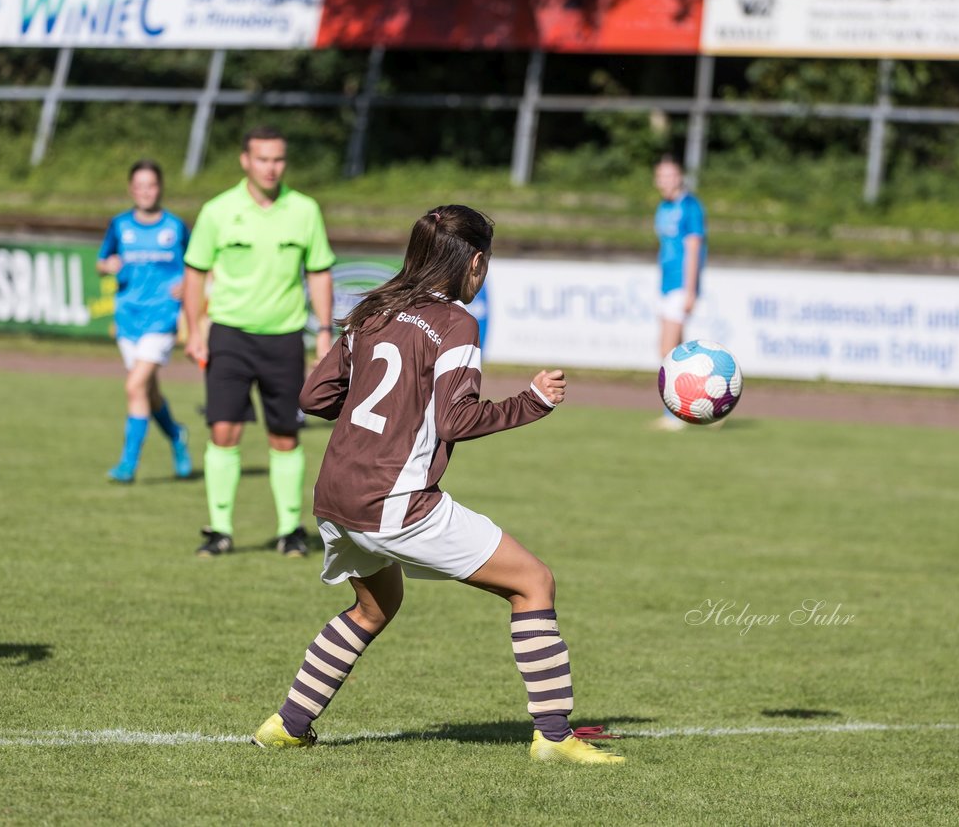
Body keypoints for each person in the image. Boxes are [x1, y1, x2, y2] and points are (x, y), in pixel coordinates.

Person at [250, 205, 625, 765]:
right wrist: (534, 402)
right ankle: (552, 736)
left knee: (376, 608)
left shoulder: (374, 308)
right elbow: (457, 420)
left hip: (335, 495)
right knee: (533, 583)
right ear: (474, 262)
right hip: (395, 500)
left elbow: (313, 398)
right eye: (486, 264)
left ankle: (287, 724)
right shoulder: (456, 324)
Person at [182, 127, 335, 558]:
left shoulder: (305, 210)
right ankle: (219, 530)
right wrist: (195, 330)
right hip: (229, 335)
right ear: (245, 160)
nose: (271, 167)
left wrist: (323, 331)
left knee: (285, 435)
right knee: (223, 430)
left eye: (279, 159)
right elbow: (195, 272)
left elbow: (319, 271)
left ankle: (290, 530)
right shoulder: (217, 211)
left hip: (285, 338)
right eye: (263, 159)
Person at [97, 159, 192, 483]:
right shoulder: (119, 225)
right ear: (131, 190)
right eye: (139, 186)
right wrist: (107, 265)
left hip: (162, 317)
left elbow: (199, 265)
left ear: (160, 187)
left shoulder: (176, 227)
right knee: (147, 393)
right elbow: (101, 260)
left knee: (134, 385)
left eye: (151, 185)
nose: (145, 191)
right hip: (128, 319)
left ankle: (127, 464)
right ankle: (177, 436)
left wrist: (189, 285)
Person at [652, 154, 707, 431]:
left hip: (680, 285)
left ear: (680, 177)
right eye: (661, 176)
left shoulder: (690, 206)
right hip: (666, 284)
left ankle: (674, 413)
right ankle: (704, 404)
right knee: (683, 353)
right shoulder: (662, 207)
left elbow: (694, 248)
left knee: (667, 349)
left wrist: (690, 289)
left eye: (670, 175)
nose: (666, 181)